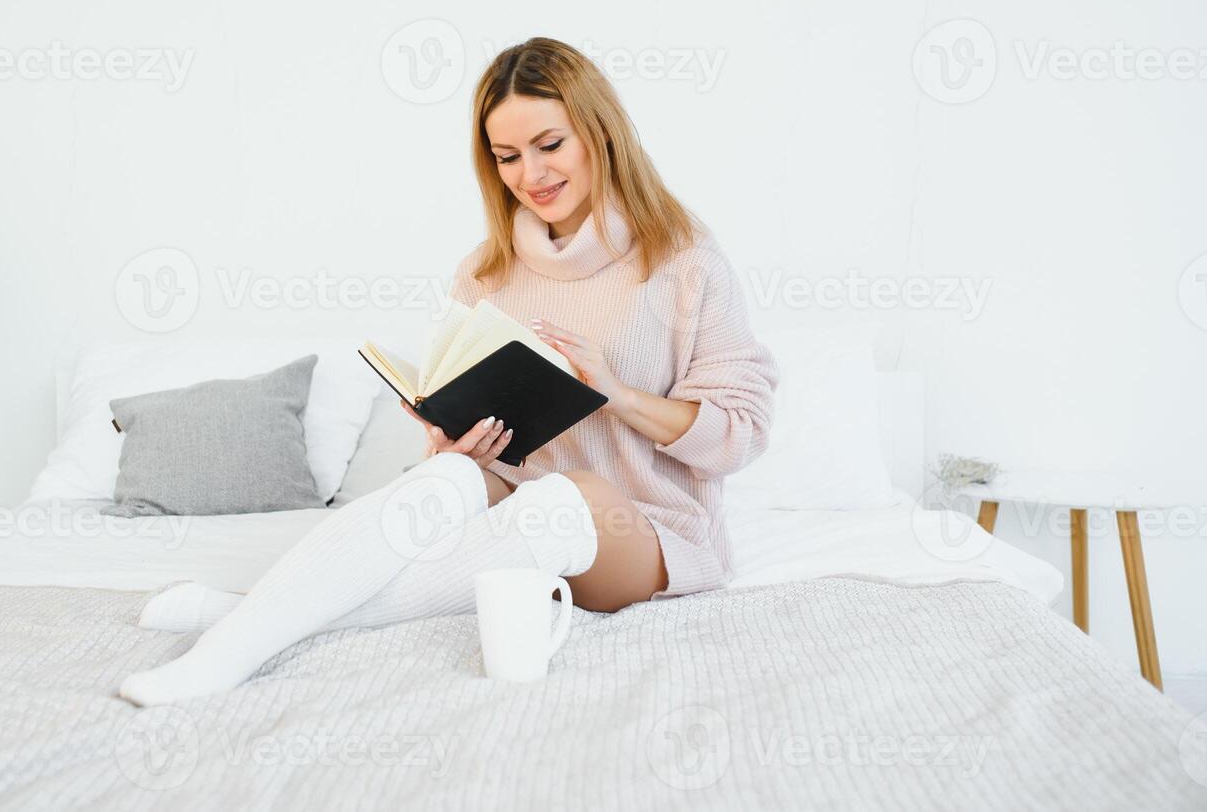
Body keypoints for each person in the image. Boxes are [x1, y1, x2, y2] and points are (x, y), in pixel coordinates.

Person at [118, 37, 777, 706]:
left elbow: (743, 432)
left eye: (550, 145)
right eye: (508, 156)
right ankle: (245, 633)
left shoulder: (684, 257)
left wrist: (618, 395)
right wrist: (447, 441)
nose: (531, 174)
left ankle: (243, 625)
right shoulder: (484, 272)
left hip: (642, 532)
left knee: (562, 499)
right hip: (511, 513)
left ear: (598, 134)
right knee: (448, 478)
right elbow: (464, 439)